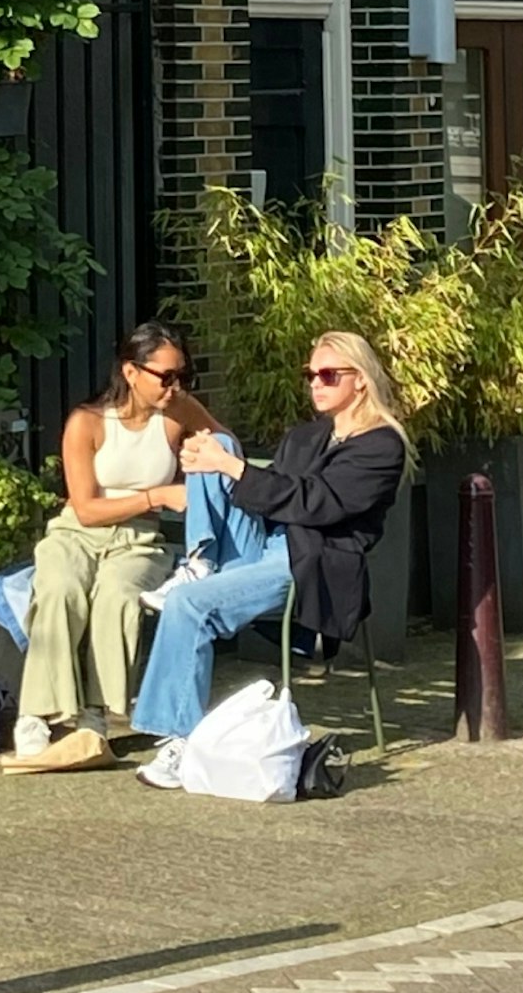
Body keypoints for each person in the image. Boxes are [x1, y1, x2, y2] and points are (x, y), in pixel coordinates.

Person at [129, 330, 409, 778]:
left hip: (311, 562)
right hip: (265, 543)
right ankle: (199, 562)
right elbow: (268, 495)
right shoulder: (306, 437)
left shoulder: (381, 446)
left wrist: (232, 470)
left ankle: (182, 743)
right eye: (310, 374)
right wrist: (219, 461)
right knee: (217, 444)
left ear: (360, 380)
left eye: (328, 374)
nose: (316, 383)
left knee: (187, 604)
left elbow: (317, 503)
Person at [18, 324, 219, 749]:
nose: (175, 385)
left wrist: (200, 459)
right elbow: (86, 508)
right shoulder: (86, 422)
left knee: (117, 596)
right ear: (131, 372)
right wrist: (157, 495)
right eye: (166, 376)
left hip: (139, 541)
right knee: (59, 588)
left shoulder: (179, 412)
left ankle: (97, 712)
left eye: (183, 375)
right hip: (77, 532)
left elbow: (226, 446)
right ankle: (35, 712)